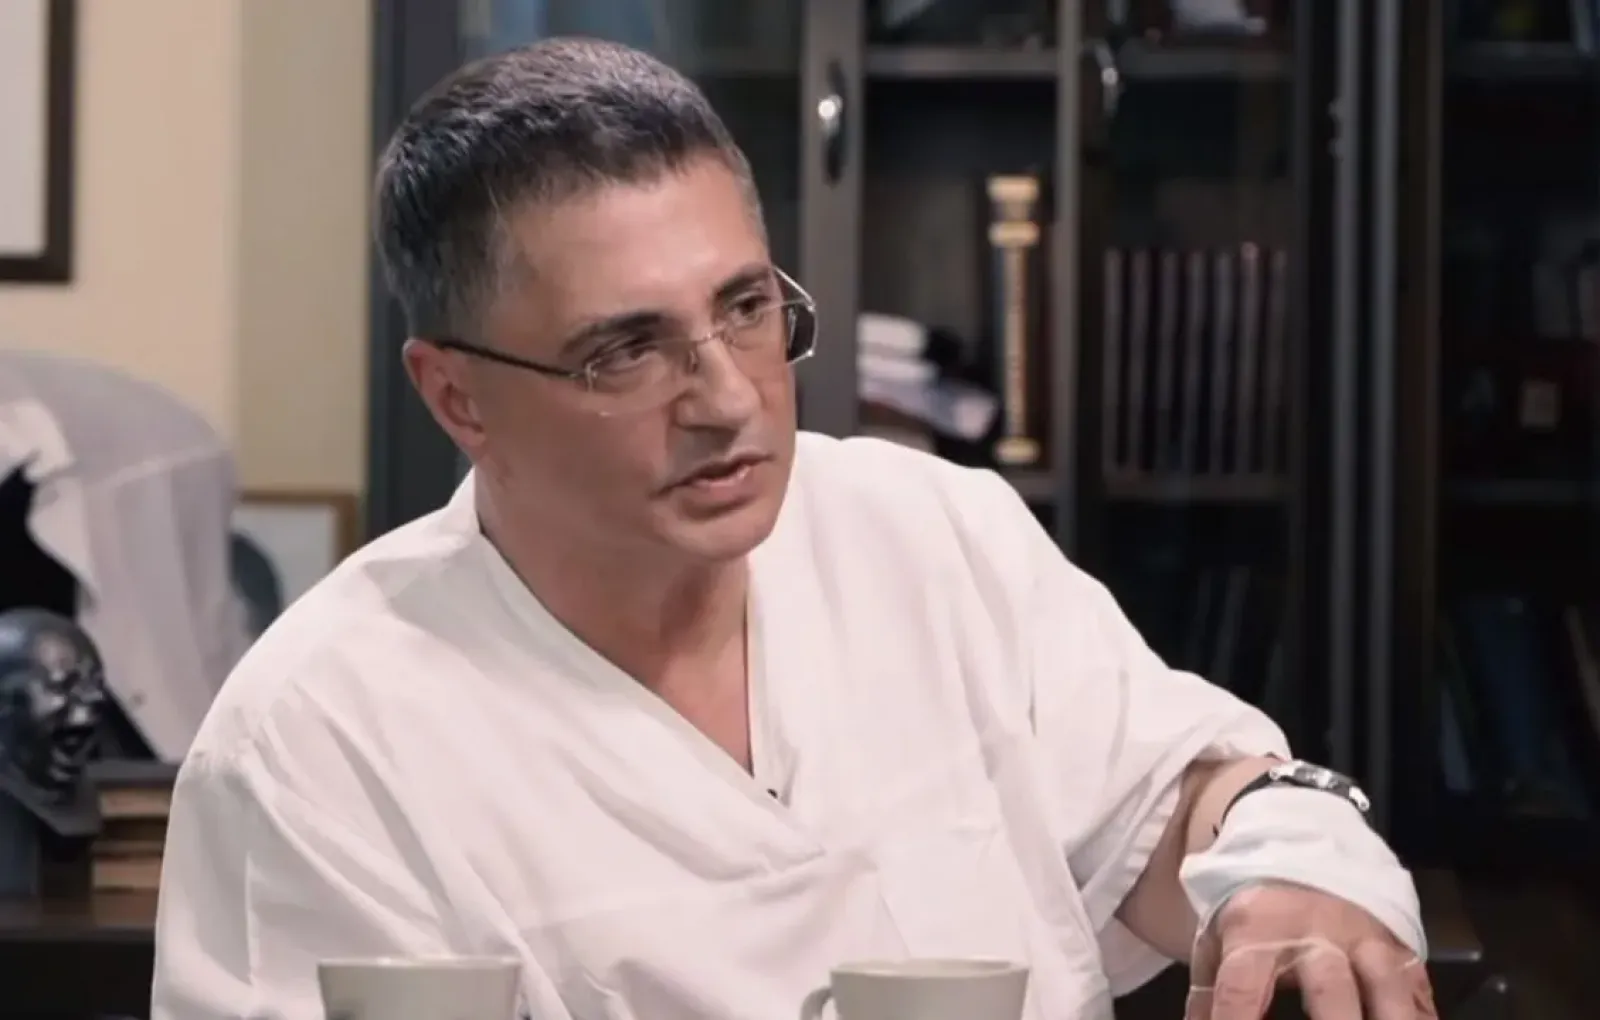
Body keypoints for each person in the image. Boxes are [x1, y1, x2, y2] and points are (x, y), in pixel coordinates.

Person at [151, 38, 1435, 1020]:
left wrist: (1287, 861)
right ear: (457, 398)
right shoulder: (319, 741)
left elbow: (1176, 804)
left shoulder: (925, 531)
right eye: (625, 350)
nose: (726, 400)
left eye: (746, 309)